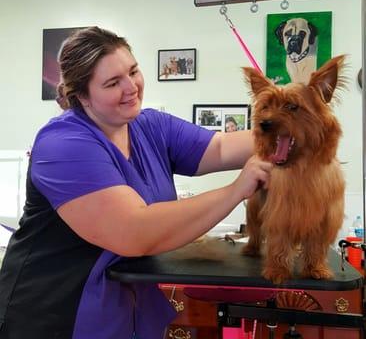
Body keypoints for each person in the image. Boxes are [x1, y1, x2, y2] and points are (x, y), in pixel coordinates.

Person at [0, 27, 272, 339]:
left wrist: (295, 130)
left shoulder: (150, 126)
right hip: (55, 314)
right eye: (113, 83)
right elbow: (133, 231)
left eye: (133, 71)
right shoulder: (63, 145)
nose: (132, 87)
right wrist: (236, 190)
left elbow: (221, 148)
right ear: (82, 96)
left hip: (122, 308)